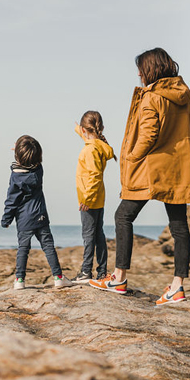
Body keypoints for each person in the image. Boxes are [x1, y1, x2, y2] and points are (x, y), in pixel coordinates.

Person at [89, 48, 190, 306]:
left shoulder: (152, 97)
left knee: (122, 216)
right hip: (177, 170)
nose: (139, 74)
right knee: (179, 226)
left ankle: (118, 278)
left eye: (141, 69)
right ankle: (177, 287)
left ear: (150, 70)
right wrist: (177, 156)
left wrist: (130, 157)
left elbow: (148, 136)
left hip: (149, 170)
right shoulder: (186, 96)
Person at [1, 135, 73, 290]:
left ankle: (20, 280)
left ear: (17, 157)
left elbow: (11, 200)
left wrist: (6, 220)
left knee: (23, 249)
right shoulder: (38, 171)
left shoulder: (15, 177)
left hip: (24, 219)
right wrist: (24, 152)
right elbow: (36, 162)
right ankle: (58, 277)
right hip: (40, 215)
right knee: (48, 247)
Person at [72, 111, 116, 283]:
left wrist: (87, 199)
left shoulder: (90, 150)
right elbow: (89, 138)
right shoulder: (98, 146)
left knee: (88, 235)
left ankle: (85, 272)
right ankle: (102, 271)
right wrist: (78, 129)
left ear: (85, 129)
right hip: (98, 198)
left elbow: (95, 176)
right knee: (98, 234)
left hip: (89, 200)